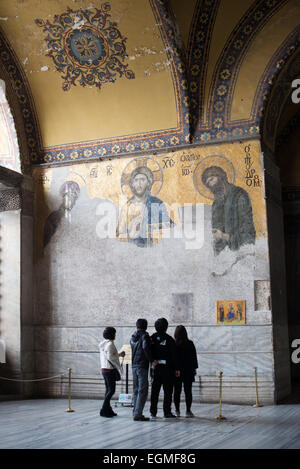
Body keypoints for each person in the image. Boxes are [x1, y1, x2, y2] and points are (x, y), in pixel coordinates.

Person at [201, 166, 256, 255]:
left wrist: (224, 236)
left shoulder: (239, 195)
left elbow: (248, 232)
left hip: (242, 254)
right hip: (224, 257)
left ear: (221, 177)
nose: (211, 185)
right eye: (208, 184)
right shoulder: (216, 204)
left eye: (211, 179)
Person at [116, 166, 173, 247]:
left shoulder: (156, 203)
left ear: (148, 183)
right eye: (136, 180)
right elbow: (119, 232)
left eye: (142, 180)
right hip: (132, 249)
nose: (139, 184)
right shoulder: (127, 206)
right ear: (132, 184)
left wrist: (146, 226)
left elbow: (170, 226)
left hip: (152, 247)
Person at [150, 318, 180, 420]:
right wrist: (177, 368)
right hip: (167, 369)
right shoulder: (170, 339)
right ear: (166, 327)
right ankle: (167, 412)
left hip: (156, 368)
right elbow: (174, 356)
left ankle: (153, 412)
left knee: (155, 391)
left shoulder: (152, 338)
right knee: (168, 392)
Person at [43, 180, 80, 249]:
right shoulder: (54, 217)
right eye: (69, 197)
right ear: (63, 198)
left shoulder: (70, 218)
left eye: (74, 198)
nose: (71, 201)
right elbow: (46, 244)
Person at [99, 327, 125, 418]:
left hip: (104, 369)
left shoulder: (103, 344)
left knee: (108, 390)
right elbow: (110, 357)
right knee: (111, 390)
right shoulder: (110, 344)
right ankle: (103, 409)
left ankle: (108, 409)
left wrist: (118, 354)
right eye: (114, 333)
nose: (115, 335)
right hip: (109, 370)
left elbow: (109, 355)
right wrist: (117, 365)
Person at [130, 318, 153, 421]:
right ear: (146, 327)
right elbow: (145, 348)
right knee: (143, 390)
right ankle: (138, 414)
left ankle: (135, 411)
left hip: (134, 365)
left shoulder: (133, 337)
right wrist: (152, 360)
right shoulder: (145, 336)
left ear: (136, 326)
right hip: (142, 365)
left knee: (136, 390)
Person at [173, 325, 198, 418]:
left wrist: (176, 369)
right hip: (188, 370)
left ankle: (177, 410)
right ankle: (188, 410)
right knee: (188, 391)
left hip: (177, 371)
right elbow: (194, 358)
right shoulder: (190, 343)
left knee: (177, 391)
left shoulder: (174, 344)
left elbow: (174, 359)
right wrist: (194, 369)